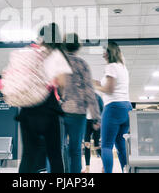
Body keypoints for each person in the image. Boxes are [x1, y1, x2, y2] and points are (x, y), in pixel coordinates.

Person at [17, 23, 72, 173]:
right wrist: (60, 96)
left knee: (28, 155)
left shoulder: (29, 52)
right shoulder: (56, 55)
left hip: (27, 109)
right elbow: (61, 83)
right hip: (48, 109)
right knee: (54, 154)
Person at [61, 33, 101, 173]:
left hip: (58, 112)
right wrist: (96, 117)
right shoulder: (82, 64)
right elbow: (90, 92)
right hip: (78, 114)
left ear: (64, 45)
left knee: (56, 149)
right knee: (76, 150)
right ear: (78, 47)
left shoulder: (58, 63)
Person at [93, 42, 132, 173]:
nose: (103, 54)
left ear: (110, 52)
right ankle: (126, 171)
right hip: (126, 108)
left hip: (113, 107)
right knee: (121, 146)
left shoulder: (110, 66)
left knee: (106, 146)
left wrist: (95, 87)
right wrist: (94, 82)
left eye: (105, 51)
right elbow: (106, 84)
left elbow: (109, 89)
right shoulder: (122, 67)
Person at [82, 93, 104, 173]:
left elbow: (102, 109)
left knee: (96, 145)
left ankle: (105, 164)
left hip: (96, 121)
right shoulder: (83, 95)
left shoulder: (98, 97)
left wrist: (99, 121)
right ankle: (87, 169)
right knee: (86, 145)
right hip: (86, 122)